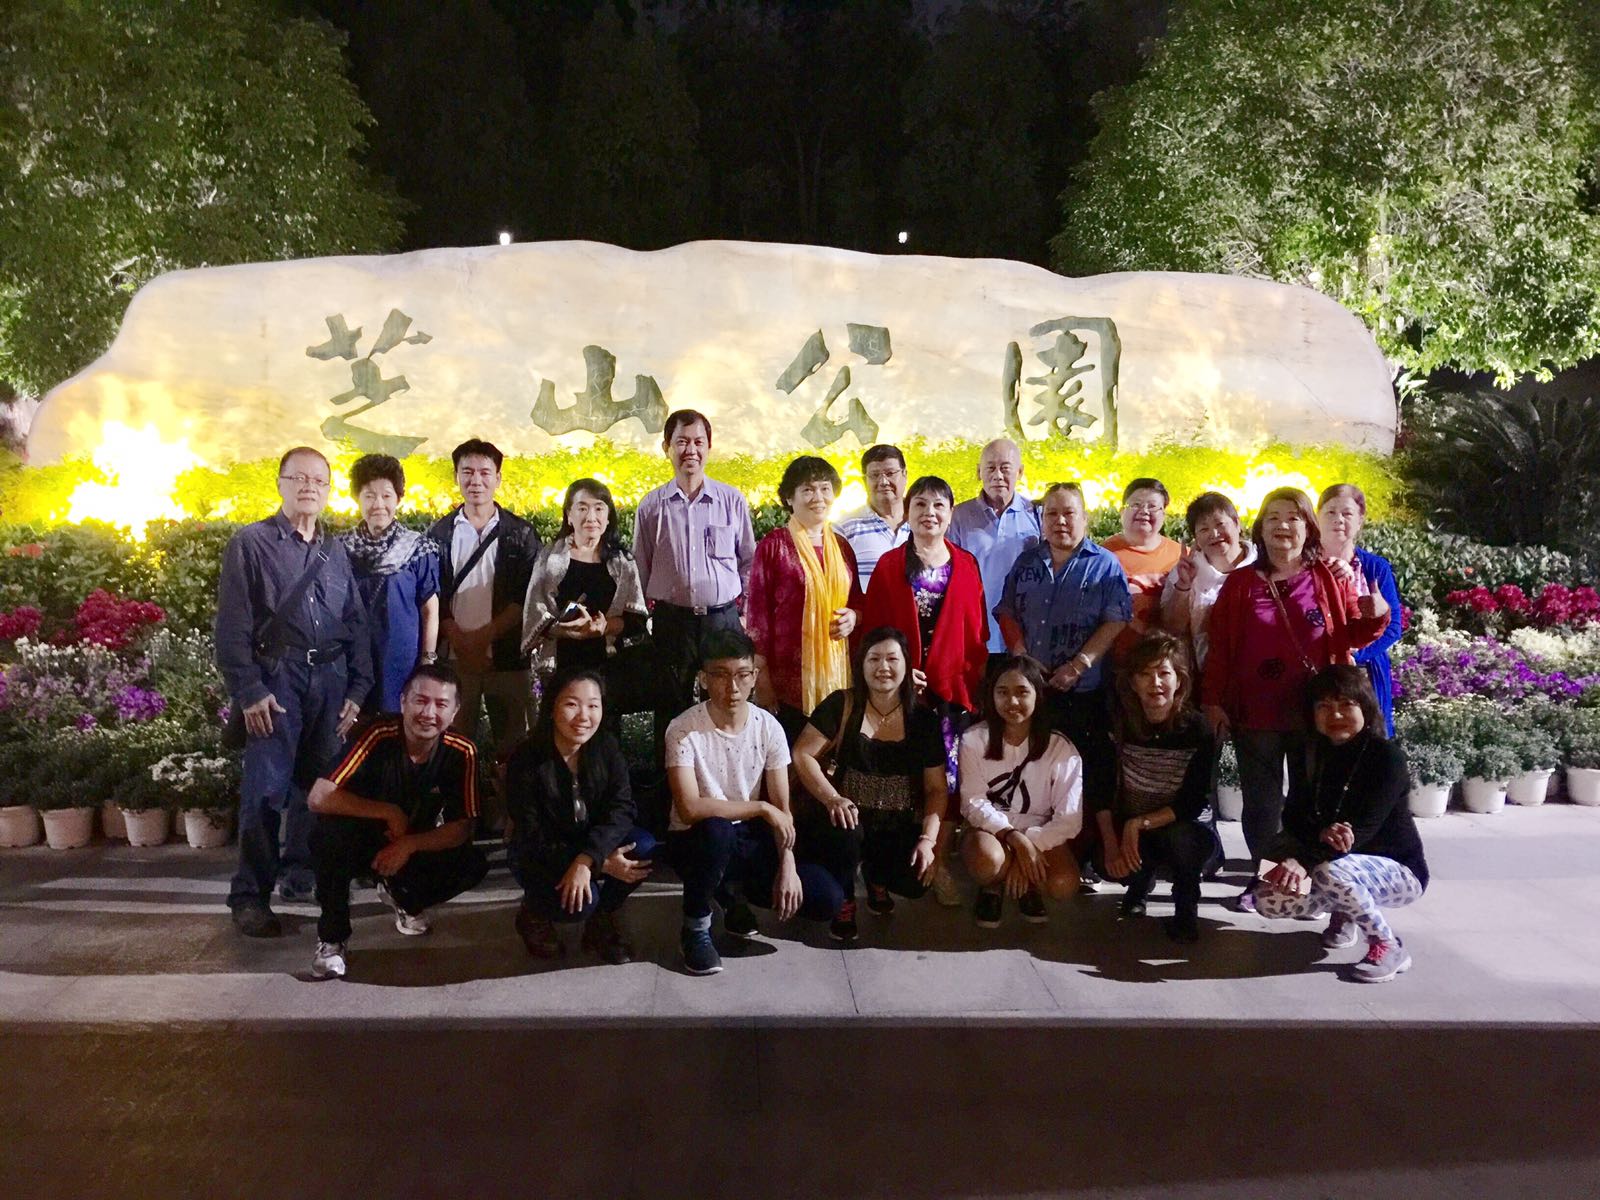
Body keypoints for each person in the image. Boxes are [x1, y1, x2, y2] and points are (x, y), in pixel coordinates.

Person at [1201, 487, 1391, 910]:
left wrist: (1376, 611)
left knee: (1316, 804)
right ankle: (1268, 882)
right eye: (1272, 518)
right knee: (1262, 806)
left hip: (1319, 714)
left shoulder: (1329, 577)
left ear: (1307, 527)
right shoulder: (1240, 585)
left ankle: (1312, 880)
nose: (1282, 526)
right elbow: (1221, 650)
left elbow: (1355, 634)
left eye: (1292, 517)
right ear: (1259, 528)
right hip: (1257, 714)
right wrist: (1213, 702)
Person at [216, 446, 373, 938]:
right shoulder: (251, 544)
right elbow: (233, 626)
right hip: (278, 681)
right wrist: (249, 690)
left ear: (328, 491)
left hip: (330, 679)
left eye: (319, 480)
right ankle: (250, 896)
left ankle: (302, 875)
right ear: (280, 484)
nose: (309, 487)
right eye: (299, 478)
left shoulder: (335, 550)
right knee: (265, 790)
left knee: (319, 787)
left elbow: (354, 621)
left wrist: (358, 688)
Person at [665, 629, 846, 975]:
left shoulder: (768, 727)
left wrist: (788, 865)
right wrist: (761, 808)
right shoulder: (683, 729)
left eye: (742, 674)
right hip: (695, 838)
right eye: (720, 675)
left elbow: (783, 809)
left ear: (754, 676)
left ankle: (732, 896)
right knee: (717, 831)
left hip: (746, 836)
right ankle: (695, 927)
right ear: (703, 678)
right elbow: (689, 808)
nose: (732, 687)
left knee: (826, 899)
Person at [304, 664, 489, 978]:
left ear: (455, 712)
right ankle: (332, 939)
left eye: (441, 704)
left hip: (410, 843)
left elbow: (462, 827)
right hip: (362, 839)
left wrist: (409, 845)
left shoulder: (462, 751)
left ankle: (401, 896)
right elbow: (319, 797)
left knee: (471, 863)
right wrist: (388, 812)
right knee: (328, 834)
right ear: (403, 702)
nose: (428, 713)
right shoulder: (378, 734)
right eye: (420, 701)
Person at [858, 474, 989, 906]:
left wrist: (963, 679)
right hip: (899, 691)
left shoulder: (966, 564)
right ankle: (883, 868)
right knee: (899, 778)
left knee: (947, 780)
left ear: (950, 515)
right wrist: (900, 671)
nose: (929, 513)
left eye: (938, 506)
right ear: (907, 512)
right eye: (920, 505)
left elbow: (975, 632)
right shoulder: (890, 565)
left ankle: (938, 861)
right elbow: (874, 630)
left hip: (951, 692)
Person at [1255, 665, 1428, 983]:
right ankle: (1344, 911)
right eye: (1324, 706)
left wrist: (1303, 861)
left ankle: (1387, 945)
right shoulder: (1309, 753)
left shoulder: (1386, 757)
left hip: (1398, 871)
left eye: (1346, 704)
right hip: (1329, 860)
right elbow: (1293, 815)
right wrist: (1314, 839)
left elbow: (1362, 832)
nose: (1335, 715)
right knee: (1266, 891)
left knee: (1330, 871)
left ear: (1366, 708)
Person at [994, 481, 1130, 879]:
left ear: (1085, 518)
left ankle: (1081, 857)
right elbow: (1006, 610)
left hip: (1082, 691)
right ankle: (1024, 852)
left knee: (1084, 775)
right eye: (1051, 513)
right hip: (1033, 694)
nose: (1060, 521)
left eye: (1069, 513)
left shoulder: (1104, 564)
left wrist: (1080, 664)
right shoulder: (1027, 562)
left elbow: (1117, 619)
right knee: (1031, 772)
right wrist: (1020, 653)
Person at [791, 627, 948, 938]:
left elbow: (936, 789)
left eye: (892, 659)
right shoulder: (842, 704)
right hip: (842, 821)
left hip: (897, 823)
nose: (883, 667)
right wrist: (832, 798)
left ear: (907, 665)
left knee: (915, 881)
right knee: (847, 833)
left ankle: (878, 878)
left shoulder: (924, 720)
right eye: (873, 659)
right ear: (860, 665)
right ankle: (845, 896)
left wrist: (928, 841)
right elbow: (802, 754)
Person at [505, 670, 657, 964]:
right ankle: (533, 913)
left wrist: (589, 859)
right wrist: (598, 862)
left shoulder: (606, 747)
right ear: (551, 707)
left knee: (644, 847)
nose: (584, 716)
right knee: (580, 904)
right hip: (540, 854)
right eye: (572, 704)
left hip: (587, 846)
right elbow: (532, 834)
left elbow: (622, 808)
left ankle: (601, 919)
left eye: (593, 705)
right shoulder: (526, 759)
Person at [633, 409, 757, 756]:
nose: (691, 450)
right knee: (669, 704)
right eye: (682, 442)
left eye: (698, 442)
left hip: (722, 619)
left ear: (709, 447)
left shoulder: (731, 500)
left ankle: (725, 773)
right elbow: (640, 568)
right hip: (672, 622)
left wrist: (744, 613)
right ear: (666, 448)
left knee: (726, 702)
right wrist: (642, 620)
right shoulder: (651, 506)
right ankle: (671, 780)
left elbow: (749, 561)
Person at [1101, 632, 1223, 943]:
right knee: (1103, 858)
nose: (1155, 683)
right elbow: (1100, 788)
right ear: (1132, 682)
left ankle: (1185, 910)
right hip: (1134, 824)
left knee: (1182, 839)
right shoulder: (1117, 722)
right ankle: (1139, 885)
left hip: (1183, 826)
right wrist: (1113, 846)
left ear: (1179, 680)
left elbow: (1194, 801)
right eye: (1145, 674)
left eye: (1164, 673)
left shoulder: (1197, 728)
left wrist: (1139, 823)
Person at [427, 438, 541, 768]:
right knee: (453, 749)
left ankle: (508, 802)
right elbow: (433, 593)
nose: (475, 480)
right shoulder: (439, 534)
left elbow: (526, 595)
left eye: (484, 472)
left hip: (506, 661)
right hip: (455, 661)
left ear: (498, 478)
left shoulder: (521, 534)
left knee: (514, 749)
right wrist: (461, 641)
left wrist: (482, 638)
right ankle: (462, 801)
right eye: (467, 472)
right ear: (456, 477)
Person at [958, 655, 1082, 927]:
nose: (1012, 701)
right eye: (1003, 692)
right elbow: (973, 801)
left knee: (1064, 884)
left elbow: (1069, 819)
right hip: (991, 830)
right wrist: (1015, 839)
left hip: (1040, 832)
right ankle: (992, 886)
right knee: (988, 862)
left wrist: (1031, 845)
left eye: (1022, 692)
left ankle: (1028, 883)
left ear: (1038, 695)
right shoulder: (974, 739)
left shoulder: (1060, 747)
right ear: (991, 695)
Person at [747, 455, 863, 720]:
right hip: (787, 679)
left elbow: (857, 600)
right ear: (790, 497)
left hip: (838, 672)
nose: (818, 497)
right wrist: (761, 676)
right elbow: (757, 615)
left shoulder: (842, 547)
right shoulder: (774, 546)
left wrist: (854, 616)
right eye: (808, 490)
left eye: (825, 488)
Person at [520, 478, 647, 709]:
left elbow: (635, 620)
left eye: (599, 508)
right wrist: (563, 630)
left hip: (607, 667)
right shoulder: (550, 558)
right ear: (569, 515)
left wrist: (604, 627)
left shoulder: (623, 563)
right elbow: (534, 613)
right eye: (582, 508)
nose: (591, 517)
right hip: (561, 665)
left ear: (608, 517)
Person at [339, 454, 440, 714]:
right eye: (369, 496)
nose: (378, 504)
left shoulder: (418, 548)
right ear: (357, 498)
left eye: (386, 495)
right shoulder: (340, 548)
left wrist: (427, 661)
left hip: (401, 662)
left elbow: (430, 610)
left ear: (398, 498)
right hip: (350, 659)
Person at [1317, 483, 1404, 735]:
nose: (1338, 519)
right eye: (1330, 512)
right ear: (1317, 516)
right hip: (1316, 671)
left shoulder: (1375, 568)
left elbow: (1393, 627)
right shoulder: (1302, 565)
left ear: (1360, 521)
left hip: (1365, 673)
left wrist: (1356, 655)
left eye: (1347, 513)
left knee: (1370, 741)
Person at [948, 437, 1040, 662]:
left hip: (1025, 638)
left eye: (1005, 468)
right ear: (978, 472)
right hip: (975, 635)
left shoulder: (1037, 514)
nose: (998, 475)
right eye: (990, 468)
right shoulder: (958, 516)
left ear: (1020, 472)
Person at [1159, 491, 1256, 672]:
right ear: (1196, 538)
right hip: (1207, 673)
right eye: (1204, 529)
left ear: (1237, 524)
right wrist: (1184, 586)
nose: (1214, 534)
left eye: (1220, 524)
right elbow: (1172, 629)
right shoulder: (1186, 570)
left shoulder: (1262, 563)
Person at [1103, 477, 1183, 661]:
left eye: (1152, 506)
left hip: (1167, 662)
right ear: (1122, 511)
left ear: (1164, 515)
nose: (1144, 511)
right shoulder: (1104, 555)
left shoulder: (1180, 555)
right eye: (1136, 505)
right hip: (1118, 660)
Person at [836, 443, 910, 593]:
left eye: (890, 473)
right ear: (864, 481)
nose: (883, 482)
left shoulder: (926, 523)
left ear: (905, 474)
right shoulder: (843, 528)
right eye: (875, 475)